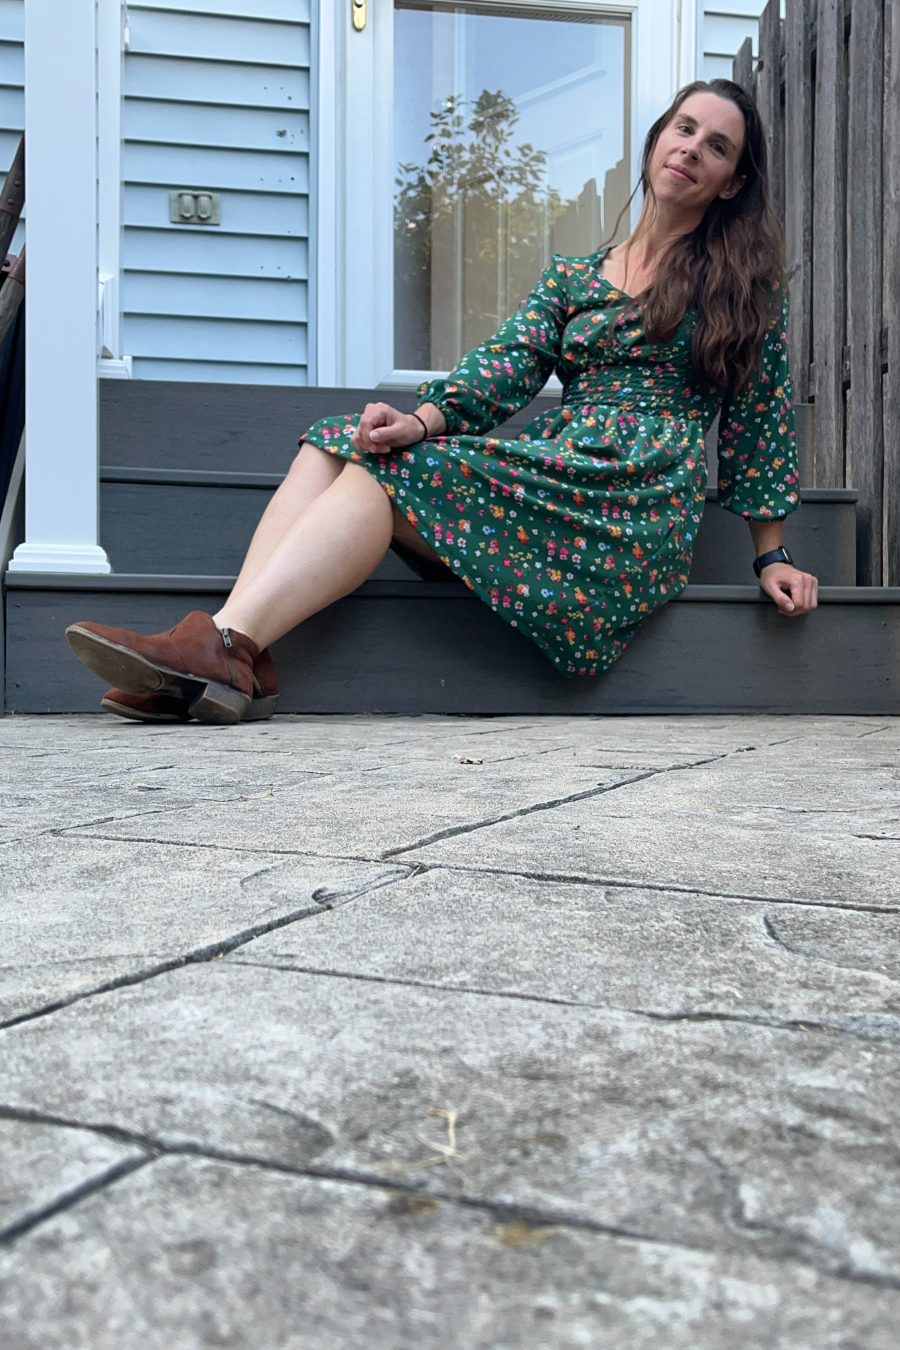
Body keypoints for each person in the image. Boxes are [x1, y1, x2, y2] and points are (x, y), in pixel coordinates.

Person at [67, 79, 817, 724]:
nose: (692, 148)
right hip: (561, 463)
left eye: (717, 147)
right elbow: (504, 368)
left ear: (733, 183)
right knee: (342, 438)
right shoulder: (575, 276)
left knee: (395, 475)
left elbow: (761, 420)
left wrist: (770, 553)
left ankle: (223, 650)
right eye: (683, 128)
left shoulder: (740, 287)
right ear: (658, 140)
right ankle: (234, 650)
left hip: (634, 495)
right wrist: (419, 419)